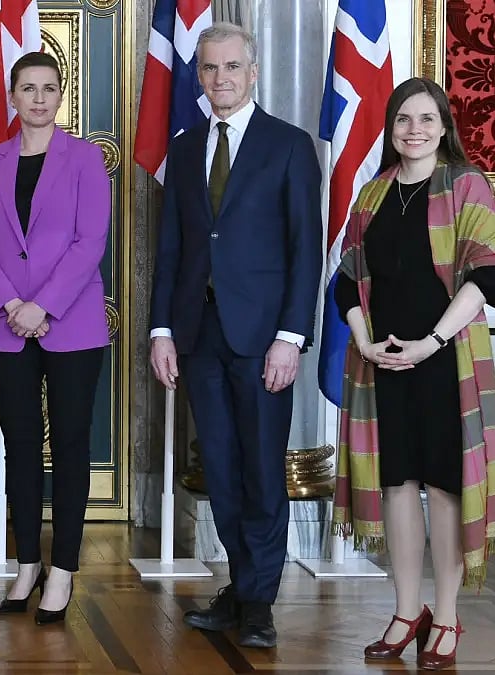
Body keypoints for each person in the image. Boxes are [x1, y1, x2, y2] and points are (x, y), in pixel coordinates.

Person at [148, 22, 322, 648]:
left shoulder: (290, 146)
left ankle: (258, 603)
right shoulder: (187, 145)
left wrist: (291, 336)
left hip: (263, 339)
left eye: (231, 68)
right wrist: (162, 329)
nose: (220, 79)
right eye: (210, 69)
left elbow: (306, 253)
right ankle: (242, 587)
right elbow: (173, 247)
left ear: (253, 73)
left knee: (261, 472)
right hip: (199, 334)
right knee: (220, 469)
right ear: (200, 75)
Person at [331, 77, 495, 671]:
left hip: (443, 365)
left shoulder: (466, 186)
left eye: (426, 119)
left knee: (442, 486)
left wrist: (429, 344)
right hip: (383, 362)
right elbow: (346, 279)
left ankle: (448, 614)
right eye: (404, 119)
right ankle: (408, 611)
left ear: (444, 126)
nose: (415, 130)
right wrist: (364, 340)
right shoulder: (373, 192)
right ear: (390, 128)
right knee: (397, 486)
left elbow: (485, 280)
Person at [0, 52, 111, 625]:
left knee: (71, 446)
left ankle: (64, 569)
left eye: (50, 87)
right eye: (29, 88)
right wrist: (11, 306)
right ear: (13, 96)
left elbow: (89, 241)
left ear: (60, 94)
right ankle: (27, 564)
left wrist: (41, 306)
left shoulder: (85, 159)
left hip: (71, 324)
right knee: (20, 448)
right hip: (7, 327)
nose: (40, 98)